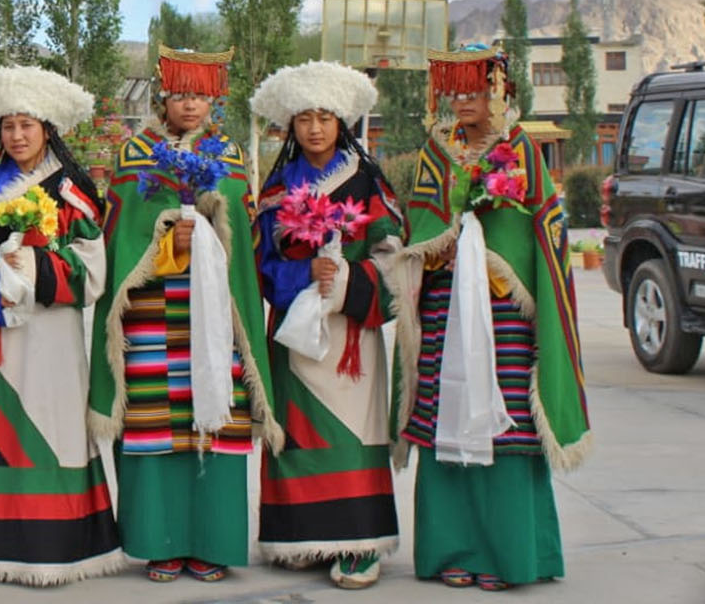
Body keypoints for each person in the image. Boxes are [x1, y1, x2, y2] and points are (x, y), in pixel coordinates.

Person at [392, 46, 590, 591]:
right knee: (443, 419)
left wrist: (494, 262)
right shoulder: (437, 153)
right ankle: (451, 550)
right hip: (444, 306)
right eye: (455, 91)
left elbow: (543, 233)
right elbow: (419, 225)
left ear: (500, 92)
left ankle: (509, 554)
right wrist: (438, 250)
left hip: (505, 310)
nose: (463, 102)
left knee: (508, 431)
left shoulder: (521, 151)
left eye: (475, 91)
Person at [88, 46, 282, 583]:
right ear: (163, 97)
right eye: (180, 94)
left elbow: (245, 229)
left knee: (217, 424)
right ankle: (158, 542)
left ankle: (213, 543)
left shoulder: (230, 155)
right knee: (155, 427)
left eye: (200, 95)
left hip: (215, 314)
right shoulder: (136, 153)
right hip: (152, 308)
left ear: (213, 98)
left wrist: (214, 223)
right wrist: (165, 228)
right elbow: (119, 229)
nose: (190, 105)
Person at [0, 65, 123, 585]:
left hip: (53, 333)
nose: (17, 135)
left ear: (48, 128)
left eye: (27, 124)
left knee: (55, 427)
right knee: (0, 433)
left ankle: (63, 547)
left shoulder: (72, 193)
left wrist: (38, 268)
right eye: (8, 126)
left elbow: (94, 270)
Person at [249, 61, 405, 589]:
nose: (314, 128)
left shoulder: (366, 180)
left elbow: (392, 255)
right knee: (297, 435)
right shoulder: (276, 188)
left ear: (341, 122)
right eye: (303, 118)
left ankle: (360, 542)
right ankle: (299, 536)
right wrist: (302, 272)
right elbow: (260, 266)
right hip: (294, 330)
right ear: (289, 126)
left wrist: (344, 281)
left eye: (324, 117)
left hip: (349, 334)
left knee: (351, 432)